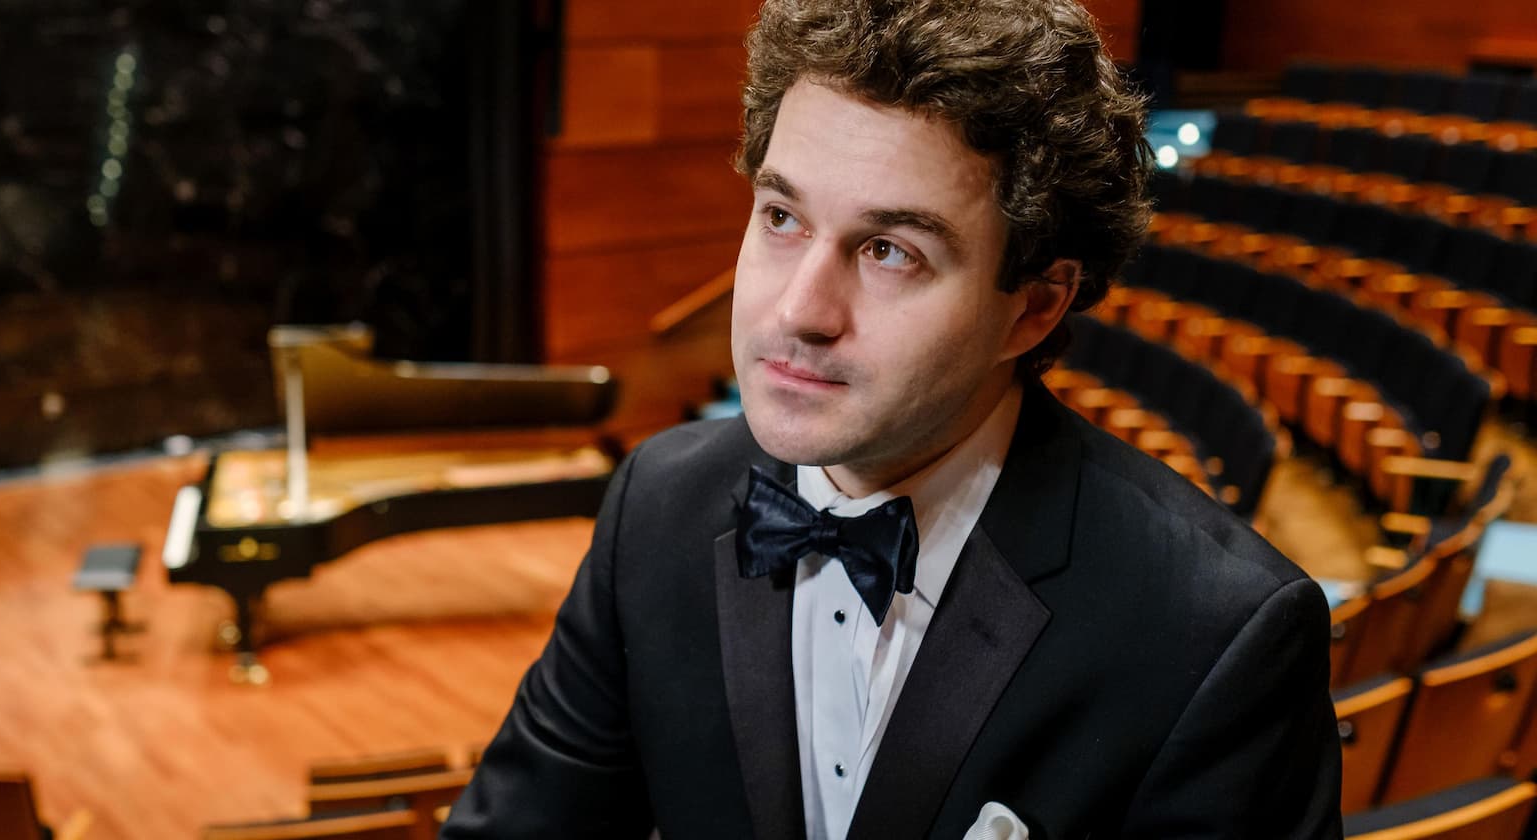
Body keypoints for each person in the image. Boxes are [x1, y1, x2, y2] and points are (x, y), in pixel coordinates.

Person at [442, 0, 1342, 836]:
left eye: (888, 251)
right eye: (782, 216)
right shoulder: (658, 507)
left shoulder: (1216, 633)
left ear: (1034, 307)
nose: (800, 310)